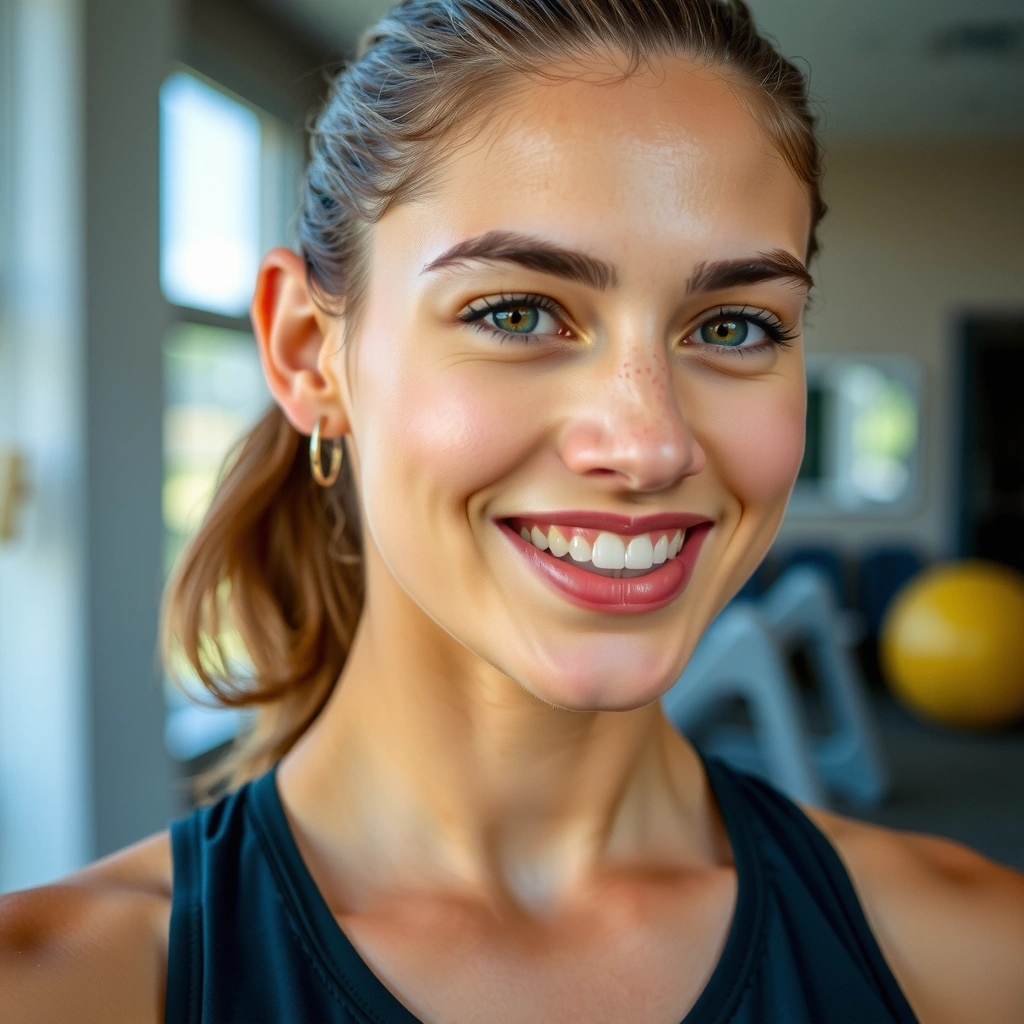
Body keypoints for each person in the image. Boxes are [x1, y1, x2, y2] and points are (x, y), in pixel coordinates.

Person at [3, 1, 1023, 1021]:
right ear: (310, 355)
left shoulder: (977, 959)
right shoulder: (58, 987)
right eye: (516, 313)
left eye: (734, 325)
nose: (650, 443)